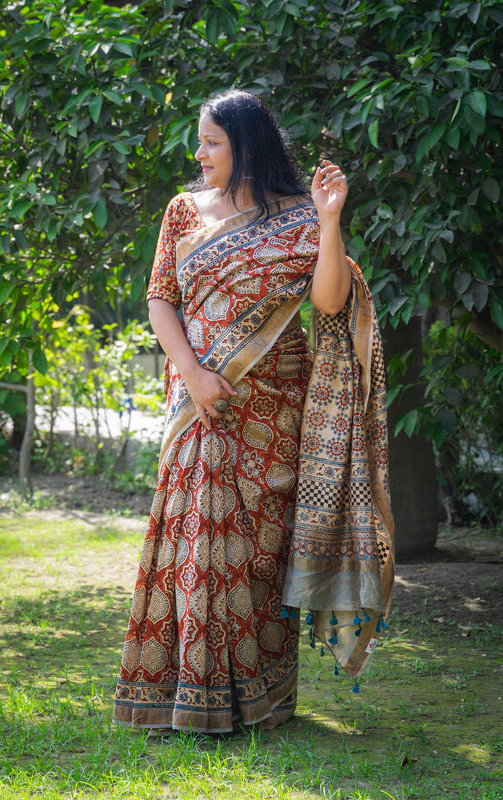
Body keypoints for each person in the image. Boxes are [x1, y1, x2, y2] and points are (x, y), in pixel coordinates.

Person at [113, 90, 393, 734]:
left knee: (259, 552)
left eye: (212, 141)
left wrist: (329, 222)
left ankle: (259, 699)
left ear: (247, 145)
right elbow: (162, 301)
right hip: (198, 402)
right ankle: (182, 693)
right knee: (192, 535)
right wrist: (194, 373)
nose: (200, 153)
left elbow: (329, 302)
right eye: (201, 142)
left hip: (272, 408)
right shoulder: (183, 211)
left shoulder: (297, 217)